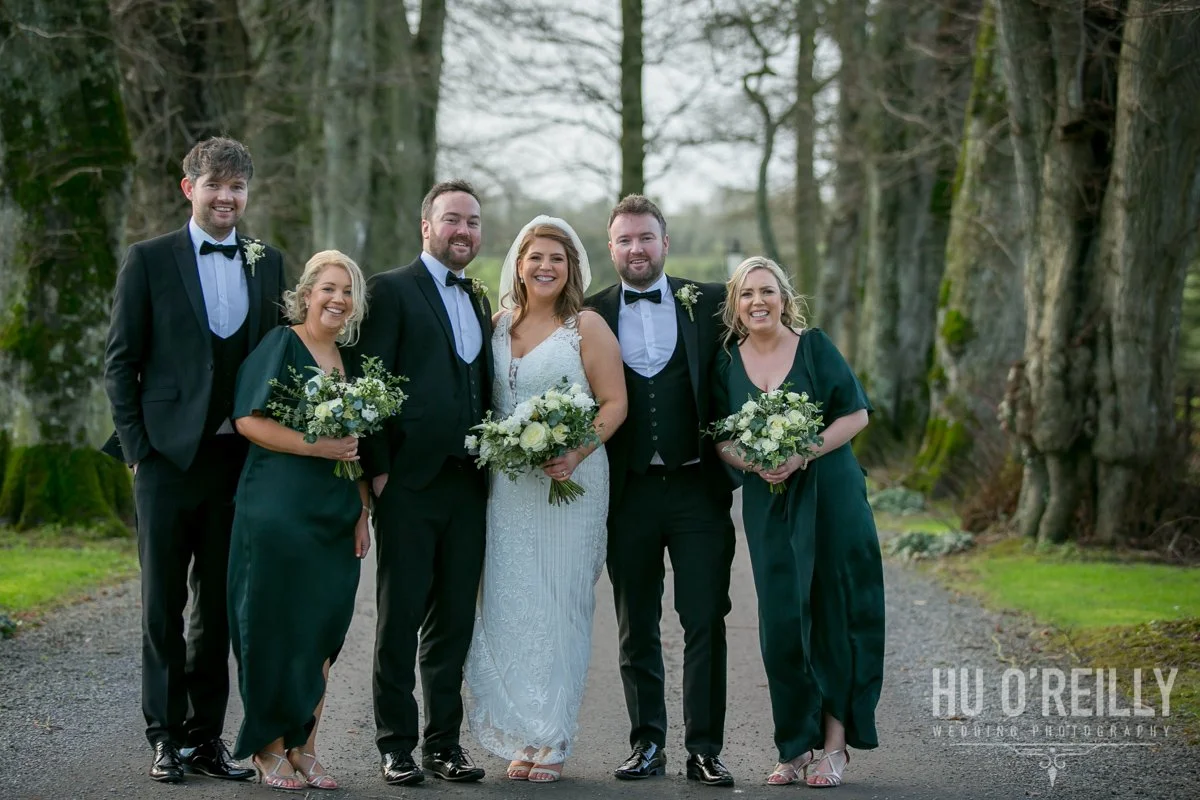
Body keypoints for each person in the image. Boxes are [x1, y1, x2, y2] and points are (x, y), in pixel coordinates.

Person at [104, 136, 286, 783]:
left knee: (218, 610)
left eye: (237, 187)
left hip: (237, 462)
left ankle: (206, 738)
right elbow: (121, 361)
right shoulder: (149, 259)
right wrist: (137, 451)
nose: (226, 197)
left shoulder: (268, 262)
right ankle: (163, 736)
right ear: (190, 189)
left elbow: (277, 358)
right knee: (162, 606)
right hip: (164, 461)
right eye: (215, 185)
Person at [463, 217, 627, 783]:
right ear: (519, 264)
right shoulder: (497, 325)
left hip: (569, 482)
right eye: (536, 256)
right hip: (509, 487)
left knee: (560, 605)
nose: (545, 266)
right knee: (510, 602)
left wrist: (575, 452)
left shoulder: (586, 326)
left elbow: (613, 403)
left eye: (557, 258)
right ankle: (523, 732)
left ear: (572, 268)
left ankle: (553, 736)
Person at [712, 257, 885, 788]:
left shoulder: (814, 347)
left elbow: (856, 414)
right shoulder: (726, 362)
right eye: (747, 294)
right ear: (735, 305)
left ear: (785, 298)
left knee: (830, 613)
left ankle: (833, 746)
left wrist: (802, 452)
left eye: (767, 291)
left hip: (829, 494)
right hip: (768, 501)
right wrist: (753, 461)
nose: (758, 302)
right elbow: (721, 438)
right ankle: (793, 746)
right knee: (781, 620)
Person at [586, 195, 738, 786]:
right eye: (625, 239)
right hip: (629, 493)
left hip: (698, 487)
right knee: (636, 623)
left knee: (704, 619)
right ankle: (646, 743)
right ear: (611, 248)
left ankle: (705, 748)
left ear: (665, 243)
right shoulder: (591, 313)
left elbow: (765, 340)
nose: (637, 249)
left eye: (646, 237)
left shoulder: (711, 301)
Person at [356, 179, 494, 786]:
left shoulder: (480, 298)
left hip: (470, 484)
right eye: (452, 219)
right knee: (400, 617)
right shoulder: (390, 289)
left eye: (472, 222)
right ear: (427, 226)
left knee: (454, 620)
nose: (462, 230)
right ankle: (395, 744)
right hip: (409, 483)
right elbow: (370, 380)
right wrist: (379, 470)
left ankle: (444, 744)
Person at [226, 250, 372, 790]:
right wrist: (317, 446)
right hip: (277, 508)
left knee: (322, 629)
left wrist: (362, 510)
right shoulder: (281, 344)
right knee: (273, 625)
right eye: (328, 288)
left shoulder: (351, 362)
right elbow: (247, 420)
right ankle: (268, 748)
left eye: (348, 291)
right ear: (306, 293)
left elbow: (356, 447)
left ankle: (305, 747)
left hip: (334, 514)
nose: (338, 299)